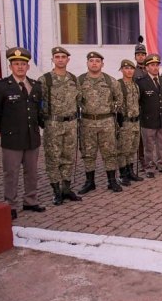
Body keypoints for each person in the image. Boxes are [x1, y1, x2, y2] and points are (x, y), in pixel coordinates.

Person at [0, 47, 45, 219]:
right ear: (11, 66)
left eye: (23, 64)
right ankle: (10, 205)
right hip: (12, 139)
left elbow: (38, 111)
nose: (20, 67)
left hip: (32, 137)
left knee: (32, 172)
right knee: (11, 173)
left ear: (28, 66)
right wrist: (6, 131)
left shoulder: (35, 86)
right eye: (16, 64)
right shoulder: (1, 87)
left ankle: (30, 200)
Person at [38, 46, 82, 205]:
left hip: (71, 123)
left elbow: (78, 100)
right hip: (53, 124)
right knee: (53, 157)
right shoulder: (45, 80)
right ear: (53, 59)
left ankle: (66, 188)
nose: (60, 60)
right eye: (57, 57)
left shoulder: (73, 79)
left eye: (63, 57)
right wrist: (42, 120)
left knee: (68, 157)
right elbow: (38, 102)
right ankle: (56, 191)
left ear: (68, 60)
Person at [77, 51, 123, 194]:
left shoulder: (110, 81)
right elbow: (75, 100)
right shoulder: (79, 81)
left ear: (102, 64)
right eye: (91, 61)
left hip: (106, 122)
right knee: (88, 153)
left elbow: (119, 99)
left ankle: (112, 181)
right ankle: (90, 182)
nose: (94, 63)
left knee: (110, 152)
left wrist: (109, 108)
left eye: (97, 61)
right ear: (87, 63)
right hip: (87, 122)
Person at [135, 54, 162, 178]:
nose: (155, 67)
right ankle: (149, 168)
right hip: (148, 120)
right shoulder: (140, 82)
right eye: (152, 65)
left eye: (157, 65)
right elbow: (137, 102)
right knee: (149, 146)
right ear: (146, 67)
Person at [117, 59, 143, 186]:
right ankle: (123, 174)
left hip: (135, 122)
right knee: (123, 150)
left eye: (131, 68)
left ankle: (130, 171)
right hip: (125, 123)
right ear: (122, 70)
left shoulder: (135, 85)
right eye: (126, 68)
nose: (129, 71)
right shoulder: (118, 85)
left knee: (133, 148)